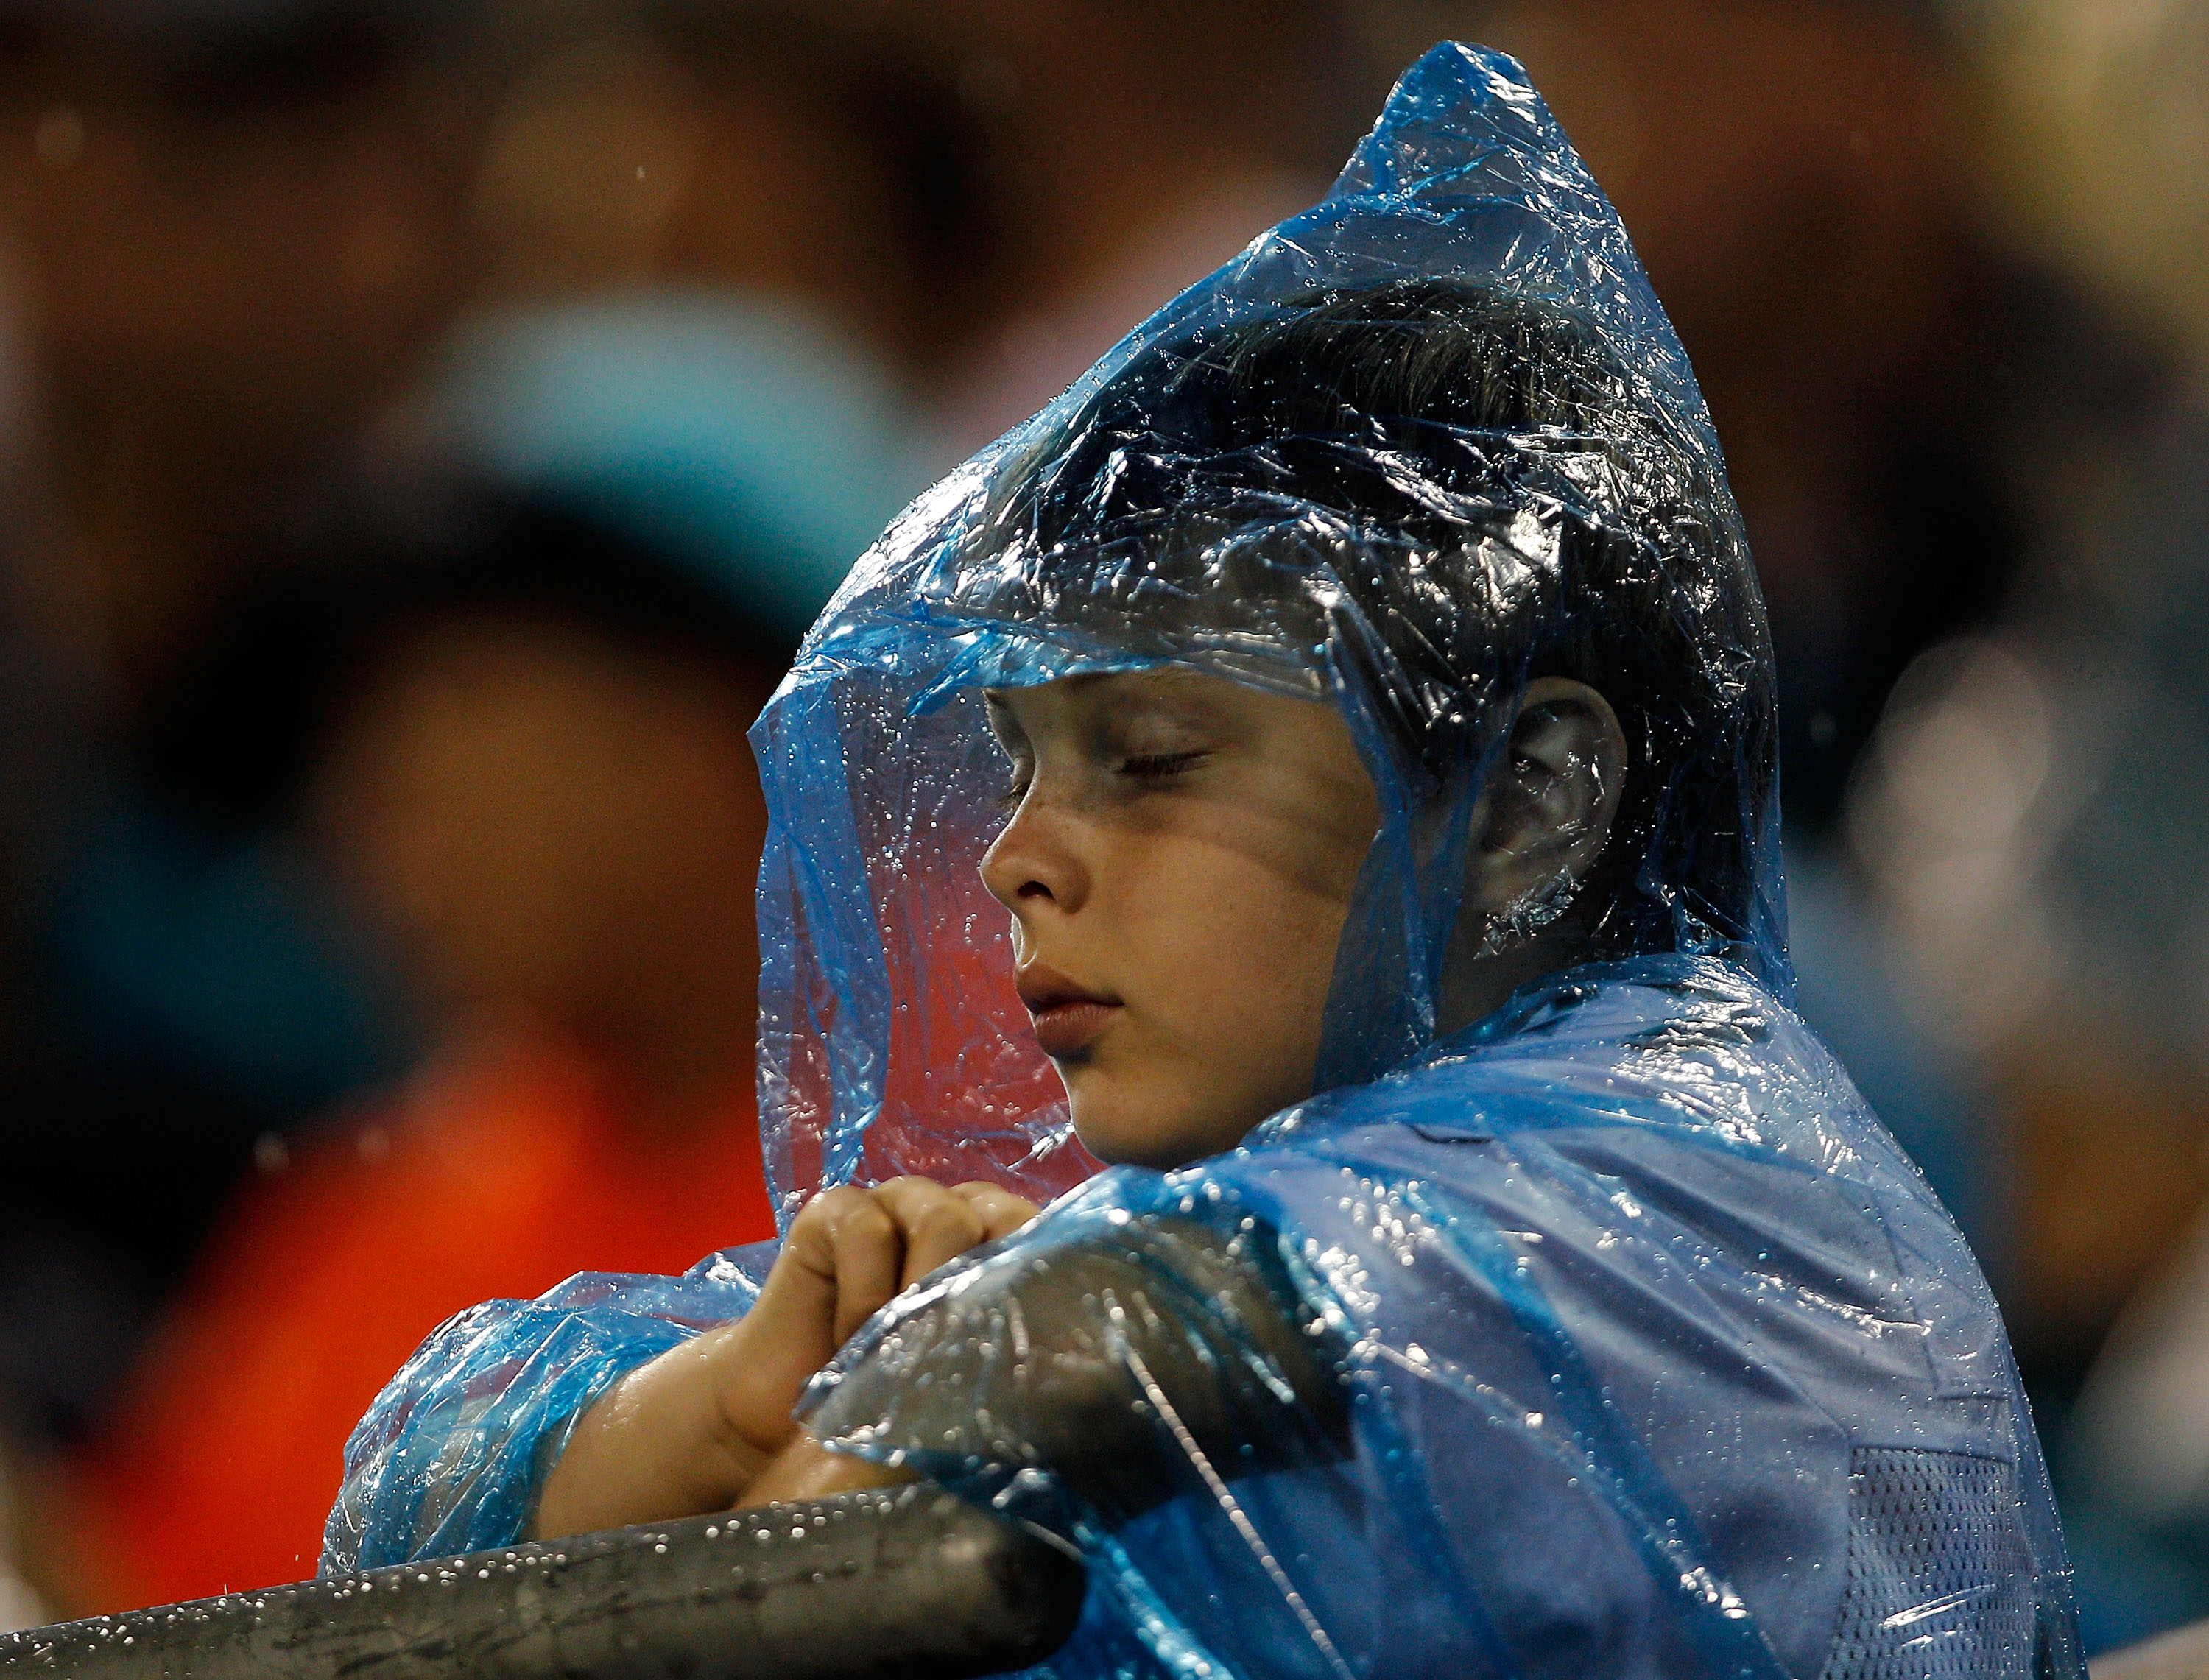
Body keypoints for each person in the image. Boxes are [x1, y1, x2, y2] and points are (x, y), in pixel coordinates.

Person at [329, 46, 2082, 1679]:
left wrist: (917, 1387)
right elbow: (415, 1505)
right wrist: (738, 1394)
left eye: (1154, 762)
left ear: (1534, 798)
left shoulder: (1685, 1189)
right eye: (1021, 767)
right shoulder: (1297, 1204)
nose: (1020, 859)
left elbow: (1065, 1379)